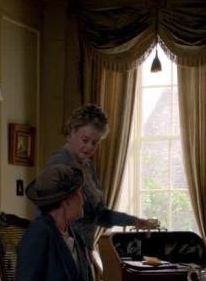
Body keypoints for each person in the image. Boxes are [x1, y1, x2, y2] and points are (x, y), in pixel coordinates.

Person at [47, 104, 158, 251]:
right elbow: (49, 216)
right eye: (85, 140)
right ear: (72, 132)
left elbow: (99, 215)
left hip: (83, 248)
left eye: (95, 142)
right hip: (62, 249)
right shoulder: (59, 163)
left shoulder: (88, 166)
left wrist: (134, 221)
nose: (90, 147)